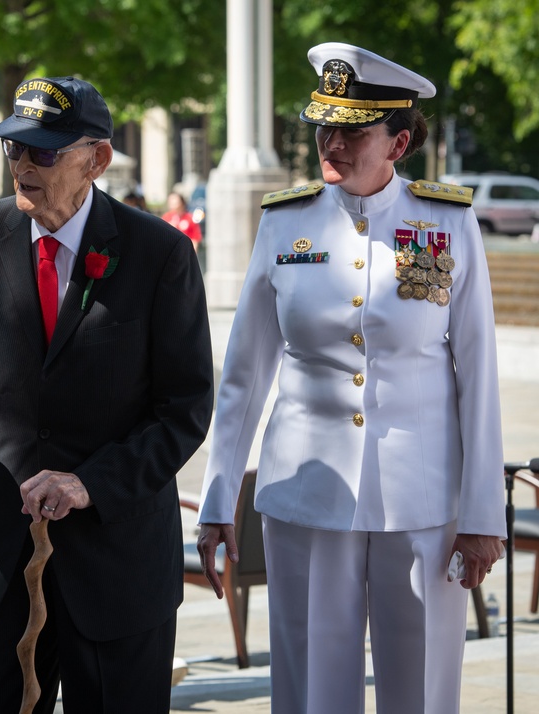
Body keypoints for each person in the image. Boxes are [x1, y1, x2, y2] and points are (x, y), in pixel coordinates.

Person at [195, 43, 506, 714]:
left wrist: (484, 514)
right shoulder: (284, 222)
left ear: (398, 143)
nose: (331, 143)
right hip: (306, 496)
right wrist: (219, 499)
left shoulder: (446, 222)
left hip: (424, 502)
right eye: (323, 127)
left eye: (352, 133)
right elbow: (245, 373)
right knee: (310, 691)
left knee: (421, 691)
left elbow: (478, 374)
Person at [0, 76, 214, 713]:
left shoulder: (159, 254)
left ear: (97, 160)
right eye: (14, 150)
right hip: (7, 551)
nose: (23, 166)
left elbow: (185, 409)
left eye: (44, 153)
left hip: (119, 562)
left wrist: (91, 482)